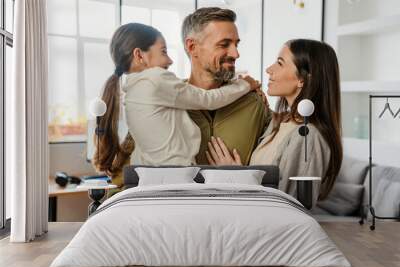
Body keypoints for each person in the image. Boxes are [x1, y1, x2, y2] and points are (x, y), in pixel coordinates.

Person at [93, 23, 261, 175]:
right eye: (163, 52)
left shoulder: (131, 92)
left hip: (148, 177)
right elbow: (208, 99)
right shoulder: (155, 79)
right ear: (139, 55)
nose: (170, 60)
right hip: (178, 176)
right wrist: (244, 85)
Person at [207, 39, 343, 205]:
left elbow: (292, 206)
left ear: (303, 79)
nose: (269, 70)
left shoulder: (308, 136)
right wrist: (247, 91)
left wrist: (235, 176)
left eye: (280, 63)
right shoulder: (280, 122)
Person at [182, 7, 270, 165]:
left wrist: (239, 176)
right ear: (192, 47)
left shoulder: (254, 103)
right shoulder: (165, 104)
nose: (236, 54)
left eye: (236, 44)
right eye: (224, 45)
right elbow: (126, 177)